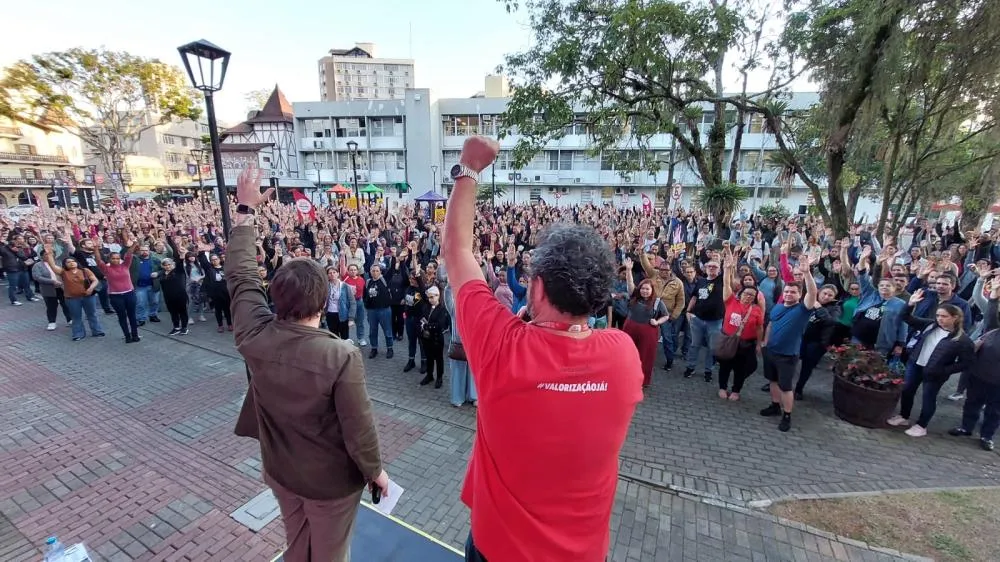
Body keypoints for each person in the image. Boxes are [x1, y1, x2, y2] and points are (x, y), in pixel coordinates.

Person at [442, 136, 643, 562]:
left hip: (498, 550)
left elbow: (458, 252)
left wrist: (470, 167)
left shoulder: (502, 345)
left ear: (535, 286)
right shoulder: (624, 355)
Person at [227, 167, 389, 562]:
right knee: (331, 553)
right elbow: (359, 428)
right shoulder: (339, 355)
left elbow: (241, 278)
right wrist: (376, 473)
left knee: (298, 545)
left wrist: (244, 214)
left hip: (280, 472)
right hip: (329, 484)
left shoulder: (254, 334)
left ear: (277, 298)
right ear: (323, 302)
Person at [887, 289, 975, 437]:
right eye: (938, 315)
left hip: (935, 372)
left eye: (944, 316)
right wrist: (910, 304)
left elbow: (966, 363)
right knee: (907, 390)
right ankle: (904, 416)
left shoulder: (963, 340)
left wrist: (944, 370)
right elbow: (906, 317)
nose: (940, 319)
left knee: (928, 397)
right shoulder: (930, 325)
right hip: (915, 364)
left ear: (955, 318)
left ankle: (922, 425)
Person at [760, 254, 818, 432]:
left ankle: (787, 415)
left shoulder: (803, 309)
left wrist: (807, 273)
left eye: (792, 292)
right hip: (770, 351)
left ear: (799, 295)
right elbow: (770, 324)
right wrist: (765, 342)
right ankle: (775, 406)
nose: (788, 294)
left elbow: (813, 293)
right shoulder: (778, 306)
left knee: (786, 386)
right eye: (786, 291)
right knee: (773, 381)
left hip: (787, 355)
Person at [949, 281, 1000, 450]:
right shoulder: (993, 329)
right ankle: (966, 427)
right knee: (972, 402)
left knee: (994, 411)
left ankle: (987, 436)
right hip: (978, 375)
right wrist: (994, 293)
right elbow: (992, 311)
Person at [42, 247, 105, 342]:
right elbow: (53, 266)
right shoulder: (63, 272)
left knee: (92, 314)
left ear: (76, 262)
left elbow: (95, 280)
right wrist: (50, 254)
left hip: (88, 296)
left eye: (73, 261)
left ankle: (97, 331)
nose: (71, 263)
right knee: (76, 316)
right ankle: (78, 333)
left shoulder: (85, 270)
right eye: (68, 262)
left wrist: (91, 288)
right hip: (72, 298)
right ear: (65, 265)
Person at [363, 264, 394, 359]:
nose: (375, 272)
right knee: (372, 330)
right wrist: (367, 306)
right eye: (373, 271)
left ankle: (390, 348)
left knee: (387, 330)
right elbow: (365, 295)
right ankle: (374, 348)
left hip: (384, 310)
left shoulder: (385, 280)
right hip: (372, 311)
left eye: (377, 271)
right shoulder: (368, 282)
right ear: (370, 272)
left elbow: (392, 269)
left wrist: (394, 257)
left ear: (380, 272)